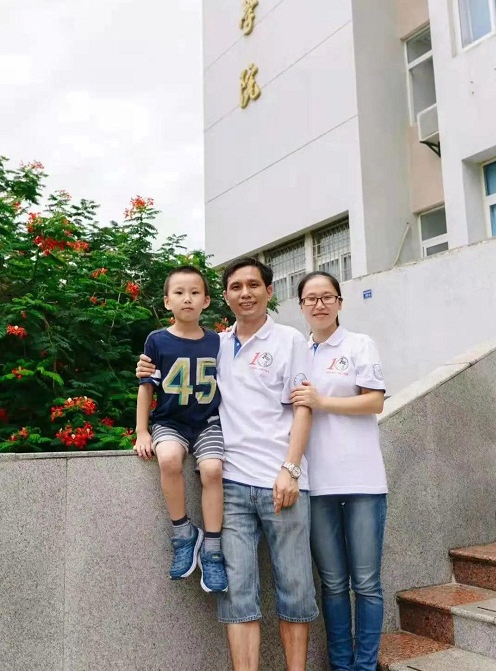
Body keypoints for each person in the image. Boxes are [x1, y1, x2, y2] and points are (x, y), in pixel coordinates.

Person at [137, 257, 318, 671]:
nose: (245, 293)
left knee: (295, 589)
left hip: (282, 483)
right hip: (231, 484)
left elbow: (304, 408)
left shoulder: (289, 340)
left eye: (253, 285)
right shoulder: (215, 343)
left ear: (269, 291)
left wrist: (291, 469)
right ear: (224, 296)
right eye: (236, 287)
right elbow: (173, 364)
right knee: (237, 595)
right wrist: (146, 368)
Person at [291, 271, 387, 671]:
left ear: (339, 303)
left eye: (327, 297)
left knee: (366, 583)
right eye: (310, 298)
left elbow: (374, 401)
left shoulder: (359, 344)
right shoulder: (297, 351)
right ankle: (341, 665)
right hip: (316, 483)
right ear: (301, 306)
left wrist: (322, 401)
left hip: (363, 480)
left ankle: (365, 666)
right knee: (331, 584)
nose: (319, 304)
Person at [135, 264, 228, 594]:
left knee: (213, 469)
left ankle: (213, 549)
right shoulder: (157, 340)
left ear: (206, 300)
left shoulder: (218, 341)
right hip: (169, 422)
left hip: (208, 422)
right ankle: (184, 534)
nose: (187, 298)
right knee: (169, 459)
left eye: (195, 292)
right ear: (167, 301)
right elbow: (146, 386)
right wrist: (142, 431)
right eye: (179, 292)